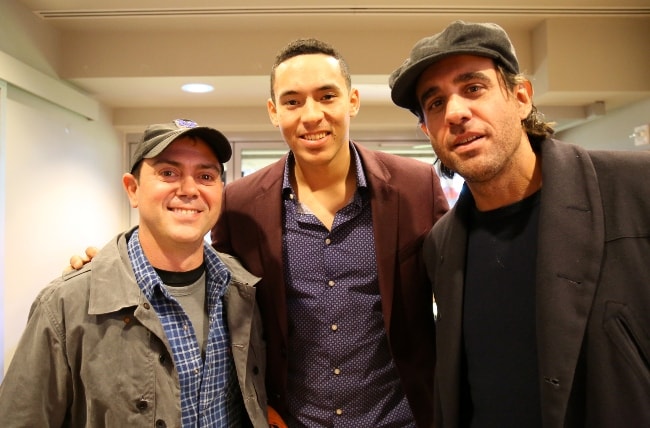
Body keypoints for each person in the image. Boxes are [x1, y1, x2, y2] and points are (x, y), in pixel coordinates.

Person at [389, 20, 650, 428]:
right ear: (427, 130)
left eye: (473, 88)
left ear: (521, 96)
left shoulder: (634, 189)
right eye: (435, 103)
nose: (455, 112)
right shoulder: (441, 245)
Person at [211, 38, 449, 427]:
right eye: (292, 102)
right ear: (274, 111)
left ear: (352, 101)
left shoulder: (415, 186)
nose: (311, 115)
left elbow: (458, 291)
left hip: (403, 418)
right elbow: (219, 310)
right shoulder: (238, 204)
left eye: (327, 96)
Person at [0, 119, 268, 427]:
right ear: (133, 189)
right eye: (169, 173)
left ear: (220, 191)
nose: (189, 189)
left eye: (205, 176)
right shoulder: (66, 305)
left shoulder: (242, 289)